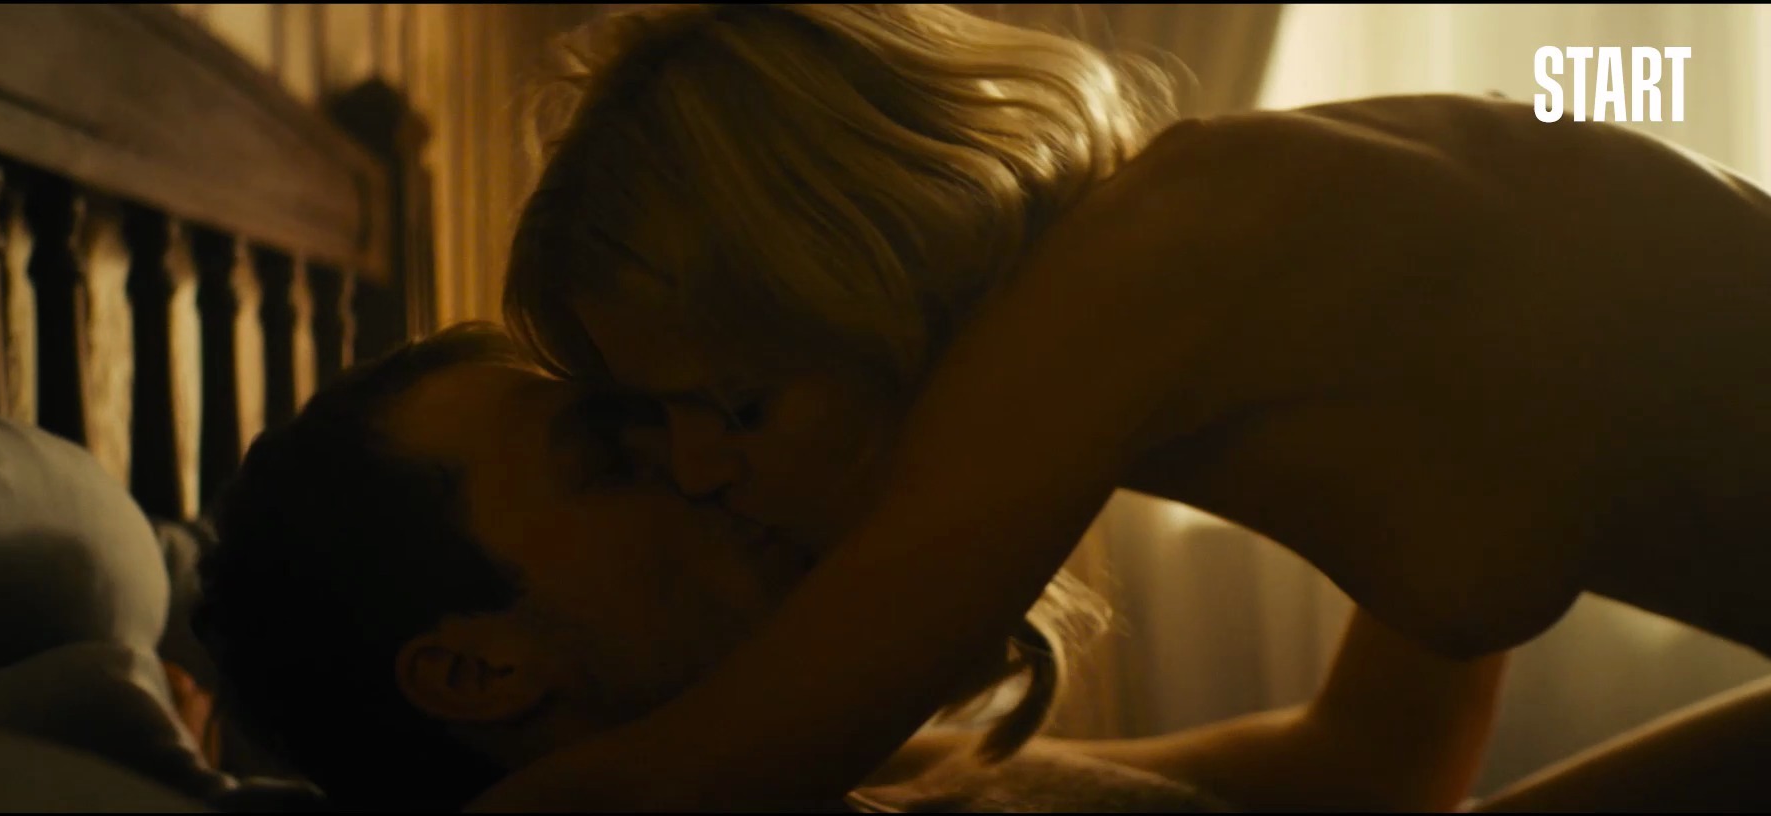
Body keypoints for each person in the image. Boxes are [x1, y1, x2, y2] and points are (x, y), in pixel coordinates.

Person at [493, 3, 1771, 811]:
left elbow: (710, 780)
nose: (698, 470)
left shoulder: (1155, 258)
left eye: (733, 402)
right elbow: (1384, 766)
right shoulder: (1201, 325)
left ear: (856, 275)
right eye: (657, 425)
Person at [193, 321, 1503, 813]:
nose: (693, 458)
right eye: (605, 452)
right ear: (478, 670)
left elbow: (1363, 771)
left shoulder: (878, 761)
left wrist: (1467, 400)